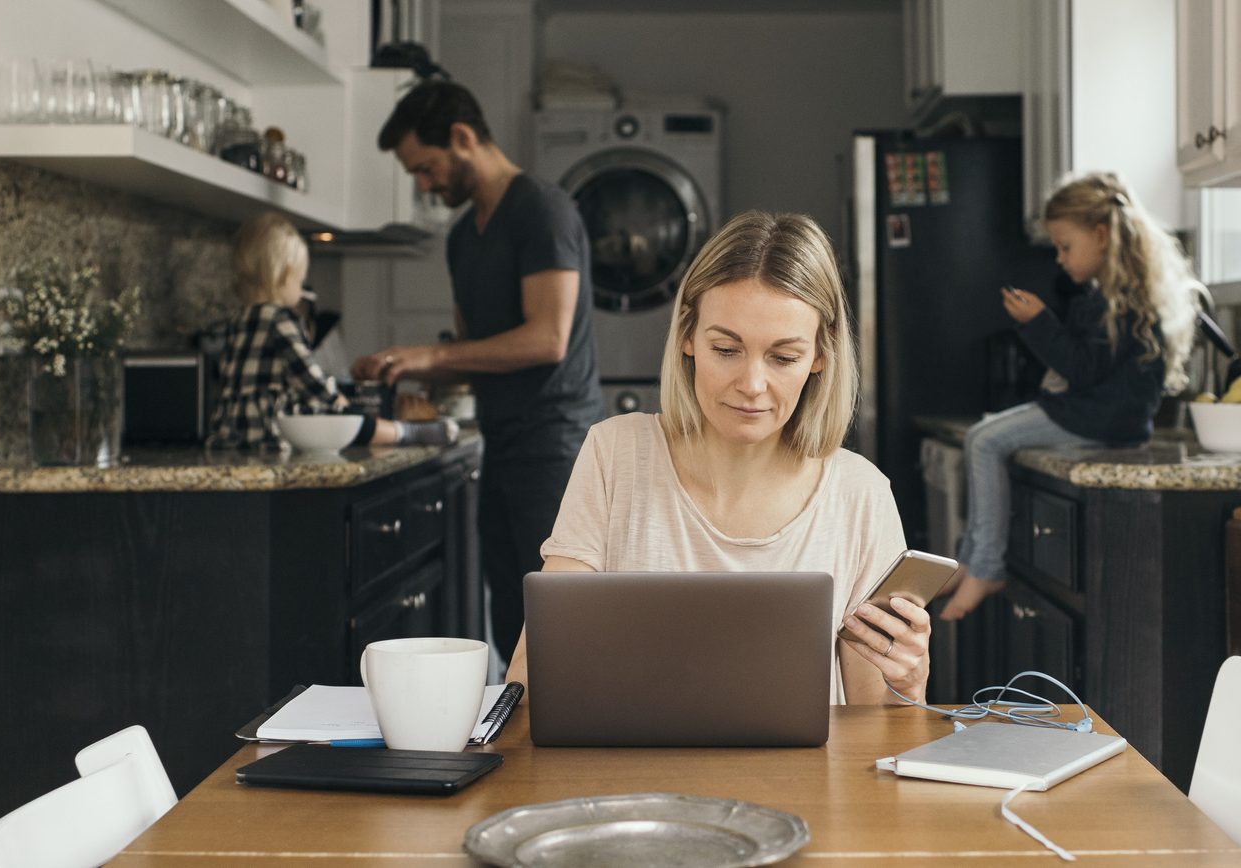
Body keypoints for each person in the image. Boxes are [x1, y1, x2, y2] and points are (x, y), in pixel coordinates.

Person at [503, 211, 930, 704]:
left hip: (802, 783)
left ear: (820, 356)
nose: (751, 385)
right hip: (636, 779)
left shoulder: (861, 493)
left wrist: (907, 681)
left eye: (783, 357)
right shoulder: (614, 454)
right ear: (688, 335)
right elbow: (532, 678)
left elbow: (875, 729)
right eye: (726, 349)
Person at [352, 81, 604, 663]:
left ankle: (576, 749)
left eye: (426, 167)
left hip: (555, 446)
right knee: (511, 614)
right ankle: (523, 745)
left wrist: (431, 356)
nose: (423, 184)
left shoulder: (540, 210)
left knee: (559, 620)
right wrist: (403, 366)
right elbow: (476, 351)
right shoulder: (464, 236)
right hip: (502, 441)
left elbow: (546, 339)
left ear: (463, 138)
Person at [939, 173, 1204, 620]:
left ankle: (984, 565)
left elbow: (1081, 370)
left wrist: (1039, 320)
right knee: (986, 435)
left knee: (984, 440)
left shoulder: (1115, 303)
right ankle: (972, 559)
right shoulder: (1124, 298)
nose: (1059, 258)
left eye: (1065, 246)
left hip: (1094, 420)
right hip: (1105, 422)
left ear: (1101, 236)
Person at [209, 213, 419, 449]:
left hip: (230, 434)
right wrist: (337, 399)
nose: (301, 290)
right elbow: (308, 376)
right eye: (299, 281)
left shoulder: (238, 319)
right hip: (268, 434)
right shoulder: (281, 319)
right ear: (282, 276)